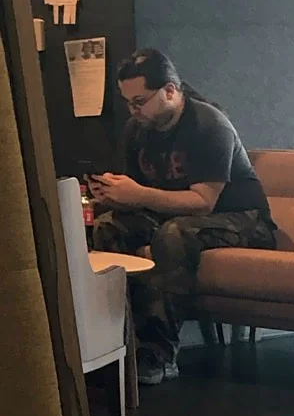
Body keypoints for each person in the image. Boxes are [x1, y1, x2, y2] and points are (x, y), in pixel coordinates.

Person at [89, 48, 277, 385]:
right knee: (108, 227)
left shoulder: (209, 124)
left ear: (170, 91)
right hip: (174, 215)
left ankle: (160, 354)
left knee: (174, 235)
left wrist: (139, 195)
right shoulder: (137, 130)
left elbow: (203, 202)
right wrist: (115, 195)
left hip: (242, 218)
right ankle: (114, 343)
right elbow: (143, 195)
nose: (134, 111)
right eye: (128, 103)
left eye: (140, 101)